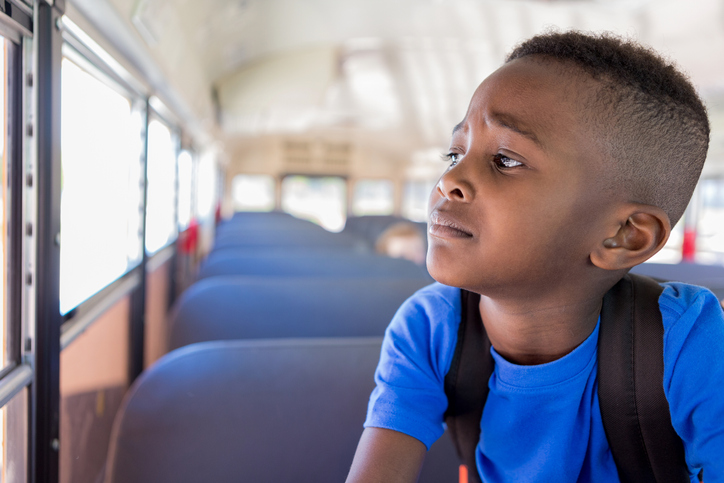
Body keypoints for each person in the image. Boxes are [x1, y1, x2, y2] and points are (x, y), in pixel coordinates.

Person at [346, 30, 724, 482]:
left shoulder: (687, 341)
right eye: (454, 152)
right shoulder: (431, 329)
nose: (449, 180)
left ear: (623, 236)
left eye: (505, 160)